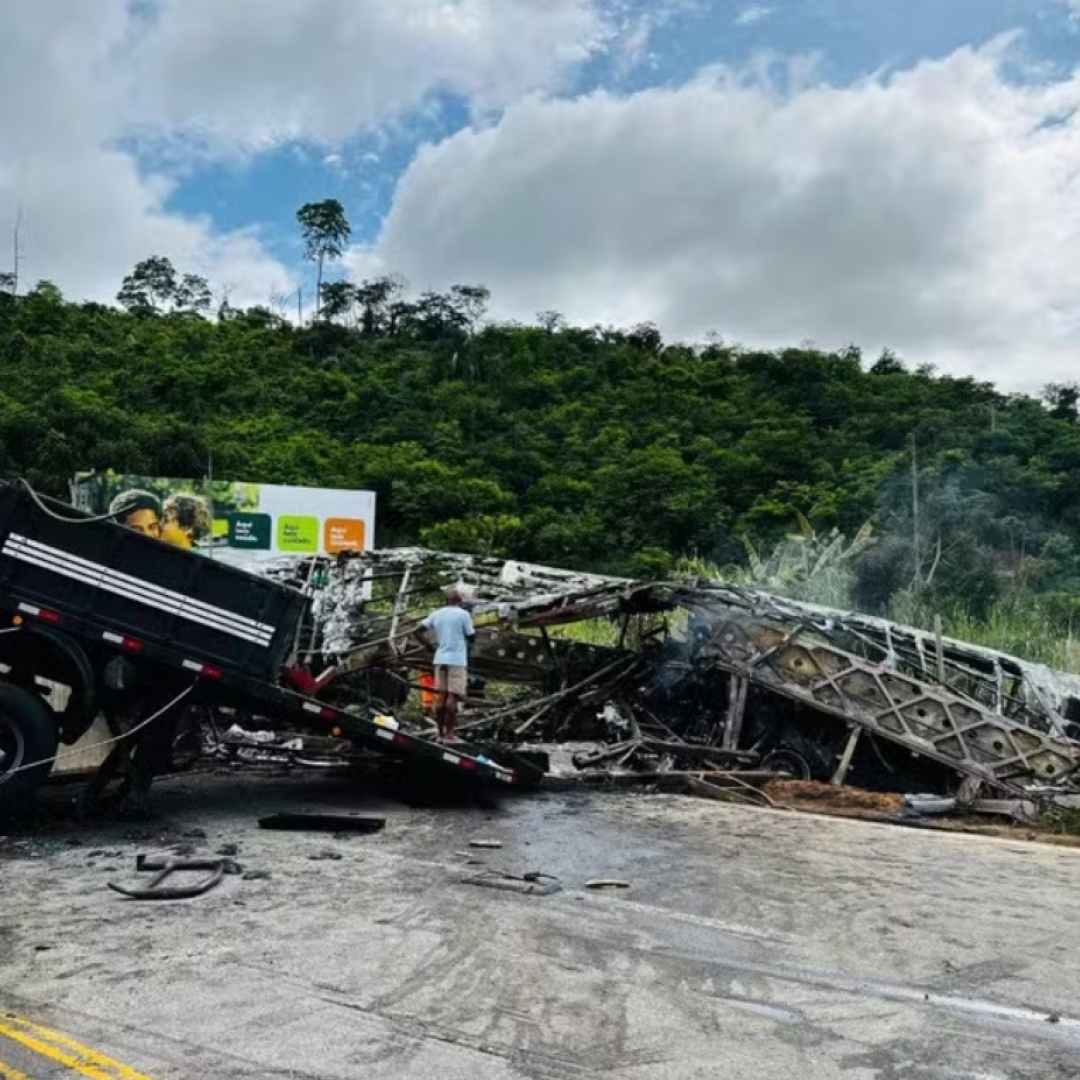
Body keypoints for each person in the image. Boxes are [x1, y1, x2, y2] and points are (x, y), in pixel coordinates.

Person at [416, 588, 475, 743]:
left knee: (441, 696)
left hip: (440, 658)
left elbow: (417, 631)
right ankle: (450, 735)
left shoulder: (437, 614)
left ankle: (440, 733)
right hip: (457, 660)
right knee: (452, 697)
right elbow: (471, 636)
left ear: (446, 600)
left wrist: (428, 645)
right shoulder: (463, 615)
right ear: (459, 600)